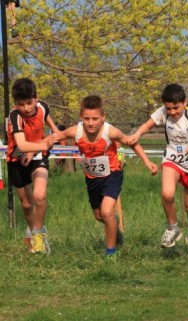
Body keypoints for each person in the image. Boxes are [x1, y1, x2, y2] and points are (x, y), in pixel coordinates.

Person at [53, 95, 158, 257]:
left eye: (95, 118)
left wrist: (147, 162)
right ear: (81, 116)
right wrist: (39, 145)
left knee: (107, 211)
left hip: (112, 174)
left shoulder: (111, 132)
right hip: (92, 177)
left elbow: (131, 142)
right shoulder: (76, 131)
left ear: (103, 116)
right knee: (99, 215)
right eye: (86, 118)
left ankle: (111, 252)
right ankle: (114, 228)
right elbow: (57, 136)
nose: (90, 123)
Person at [127, 84, 188, 257]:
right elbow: (147, 125)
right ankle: (172, 227)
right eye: (169, 108)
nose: (173, 112)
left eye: (176, 108)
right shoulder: (162, 112)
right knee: (167, 194)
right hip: (172, 159)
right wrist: (137, 134)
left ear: (185, 102)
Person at [6, 78, 59, 254]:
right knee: (27, 204)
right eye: (21, 104)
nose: (26, 108)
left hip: (38, 155)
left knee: (39, 194)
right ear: (16, 104)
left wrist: (56, 135)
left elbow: (52, 127)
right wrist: (44, 143)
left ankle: (38, 236)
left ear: (36, 98)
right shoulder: (15, 116)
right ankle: (34, 232)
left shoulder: (43, 107)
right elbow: (21, 145)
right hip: (16, 159)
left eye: (29, 103)